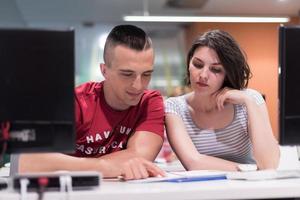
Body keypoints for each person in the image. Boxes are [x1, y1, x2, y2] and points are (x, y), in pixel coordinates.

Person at [17, 25, 165, 180]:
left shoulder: (150, 102)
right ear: (104, 70)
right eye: (127, 74)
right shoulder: (75, 102)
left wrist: (68, 164)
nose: (138, 85)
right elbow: (27, 161)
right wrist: (102, 167)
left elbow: (138, 156)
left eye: (147, 74)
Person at [165, 30, 280, 171]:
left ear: (227, 74)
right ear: (189, 64)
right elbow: (194, 163)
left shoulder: (249, 99)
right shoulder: (174, 107)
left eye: (216, 69)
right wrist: (251, 170)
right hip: (203, 190)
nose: (203, 75)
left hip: (249, 190)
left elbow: (269, 164)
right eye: (198, 65)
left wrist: (249, 102)